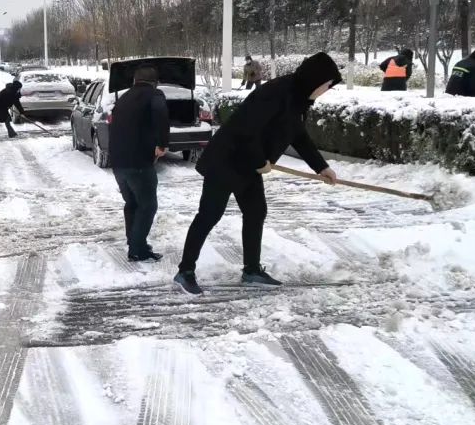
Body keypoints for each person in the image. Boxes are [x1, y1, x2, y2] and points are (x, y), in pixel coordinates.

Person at [174, 52, 342, 295]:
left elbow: (298, 135)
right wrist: (260, 160)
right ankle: (185, 271)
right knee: (209, 215)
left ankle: (251, 270)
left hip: (249, 165)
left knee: (256, 212)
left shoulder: (298, 99)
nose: (326, 90)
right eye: (327, 85)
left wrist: (321, 167)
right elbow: (245, 129)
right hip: (226, 160)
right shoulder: (276, 92)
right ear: (315, 79)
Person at [109, 64, 170, 262]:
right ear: (155, 82)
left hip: (118, 161)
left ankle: (134, 242)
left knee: (132, 203)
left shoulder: (124, 97)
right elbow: (160, 113)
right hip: (139, 162)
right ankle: (137, 249)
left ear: (134, 81)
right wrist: (162, 143)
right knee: (148, 205)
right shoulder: (154, 95)